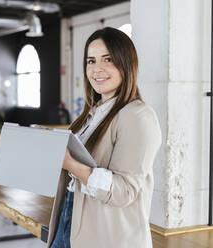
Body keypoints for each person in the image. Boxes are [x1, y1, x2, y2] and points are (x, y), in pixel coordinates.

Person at [47, 27, 162, 248]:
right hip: (69, 219)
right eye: (91, 61)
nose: (97, 69)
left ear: (126, 64)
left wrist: (70, 163)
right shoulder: (91, 115)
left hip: (108, 236)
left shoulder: (138, 116)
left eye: (107, 59)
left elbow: (125, 191)